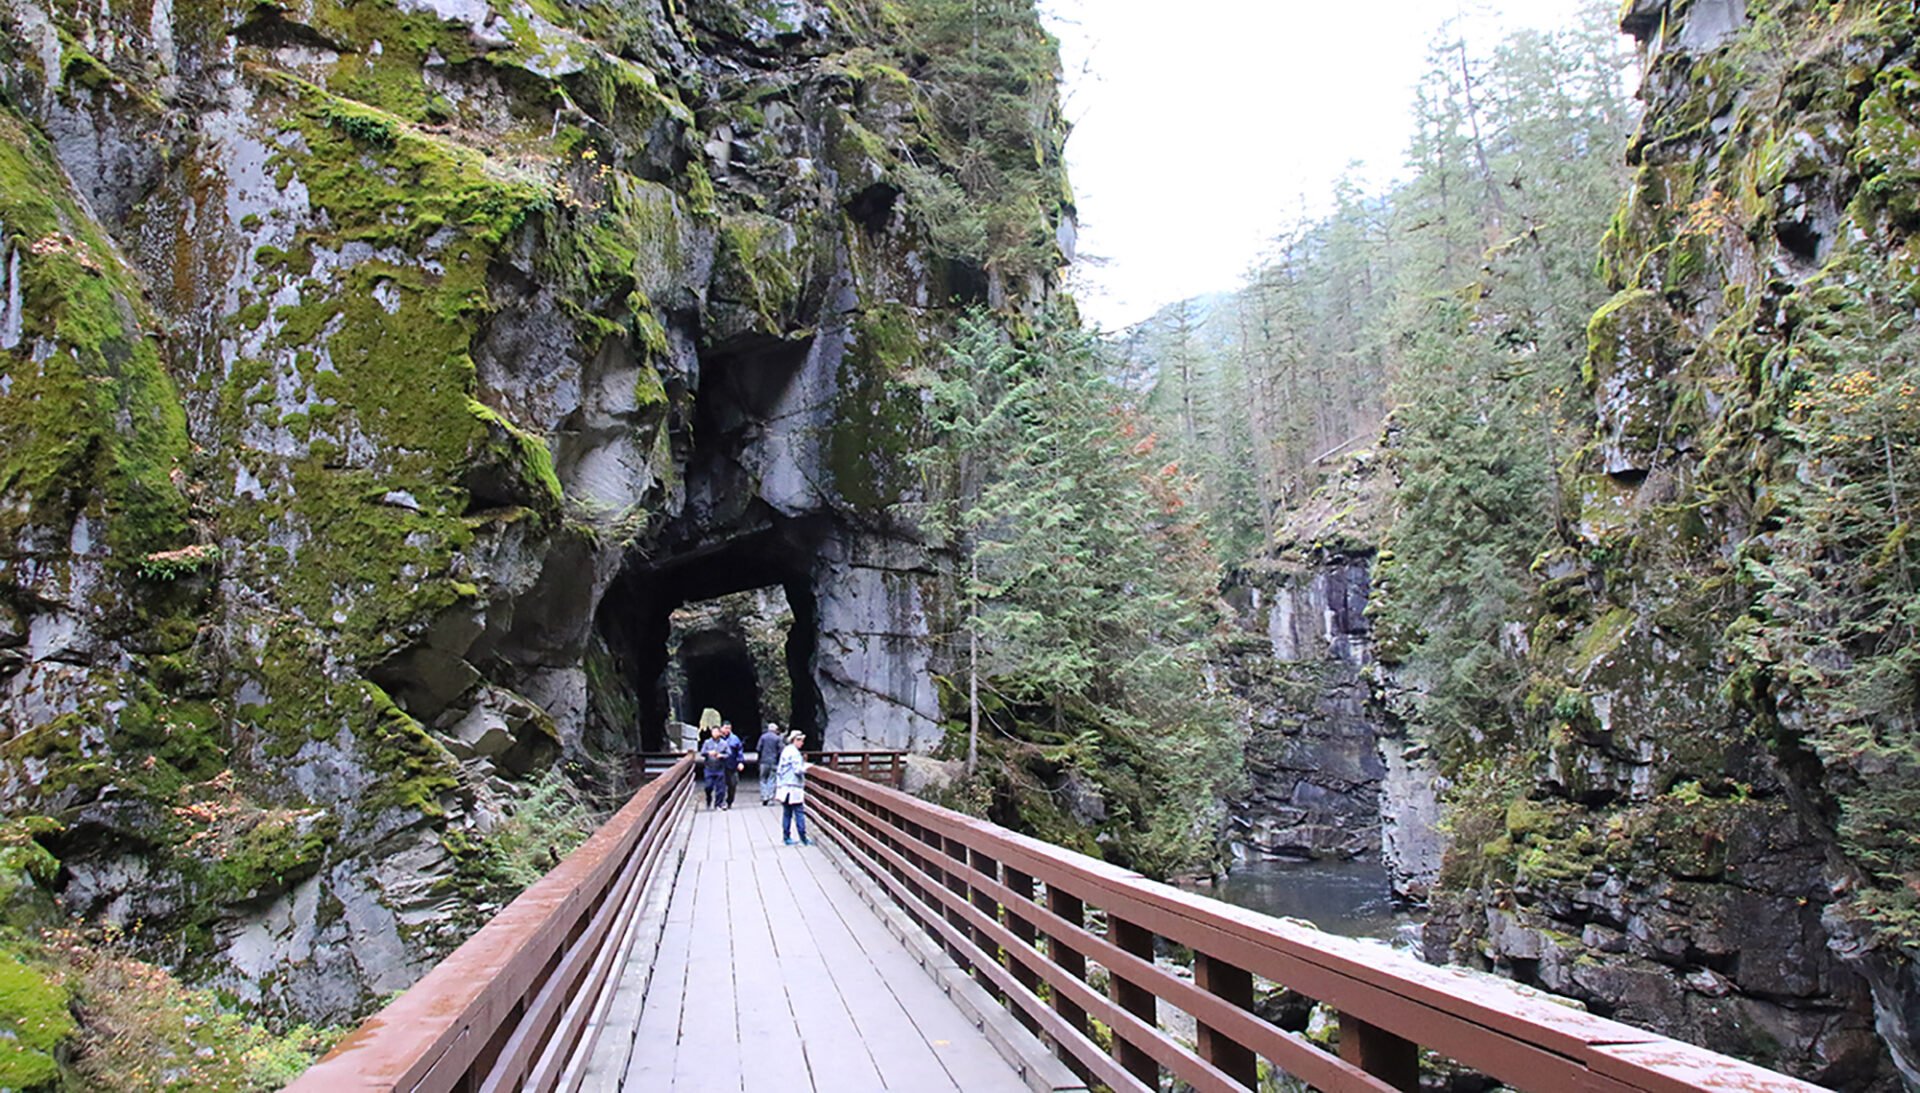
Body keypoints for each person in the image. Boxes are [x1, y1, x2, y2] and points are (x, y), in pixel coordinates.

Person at [775, 729, 810, 846]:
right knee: (799, 812)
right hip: (793, 786)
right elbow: (797, 770)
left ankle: (786, 837)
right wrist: (807, 767)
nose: (802, 743)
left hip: (784, 786)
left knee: (787, 813)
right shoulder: (795, 753)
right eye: (801, 741)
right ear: (796, 740)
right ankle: (803, 838)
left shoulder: (786, 750)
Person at [697, 725, 731, 810]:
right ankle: (708, 798)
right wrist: (709, 753)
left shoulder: (724, 743)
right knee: (708, 786)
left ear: (720, 733)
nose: (715, 733)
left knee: (720, 788)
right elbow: (702, 752)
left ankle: (718, 804)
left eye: (716, 732)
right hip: (709, 768)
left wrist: (721, 755)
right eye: (713, 732)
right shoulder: (707, 742)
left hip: (720, 768)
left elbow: (729, 754)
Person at [755, 722, 785, 806]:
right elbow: (781, 750)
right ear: (775, 730)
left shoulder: (763, 737)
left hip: (763, 761)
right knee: (772, 779)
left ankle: (764, 796)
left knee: (763, 779)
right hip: (774, 761)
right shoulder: (777, 738)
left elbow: (758, 748)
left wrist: (759, 759)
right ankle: (770, 798)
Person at [720, 722, 745, 809]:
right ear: (721, 728)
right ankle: (721, 802)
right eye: (725, 728)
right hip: (720, 766)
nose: (727, 730)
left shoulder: (735, 739)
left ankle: (729, 800)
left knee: (733, 784)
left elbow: (739, 751)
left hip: (732, 765)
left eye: (729, 728)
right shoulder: (717, 738)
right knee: (721, 785)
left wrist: (740, 762)